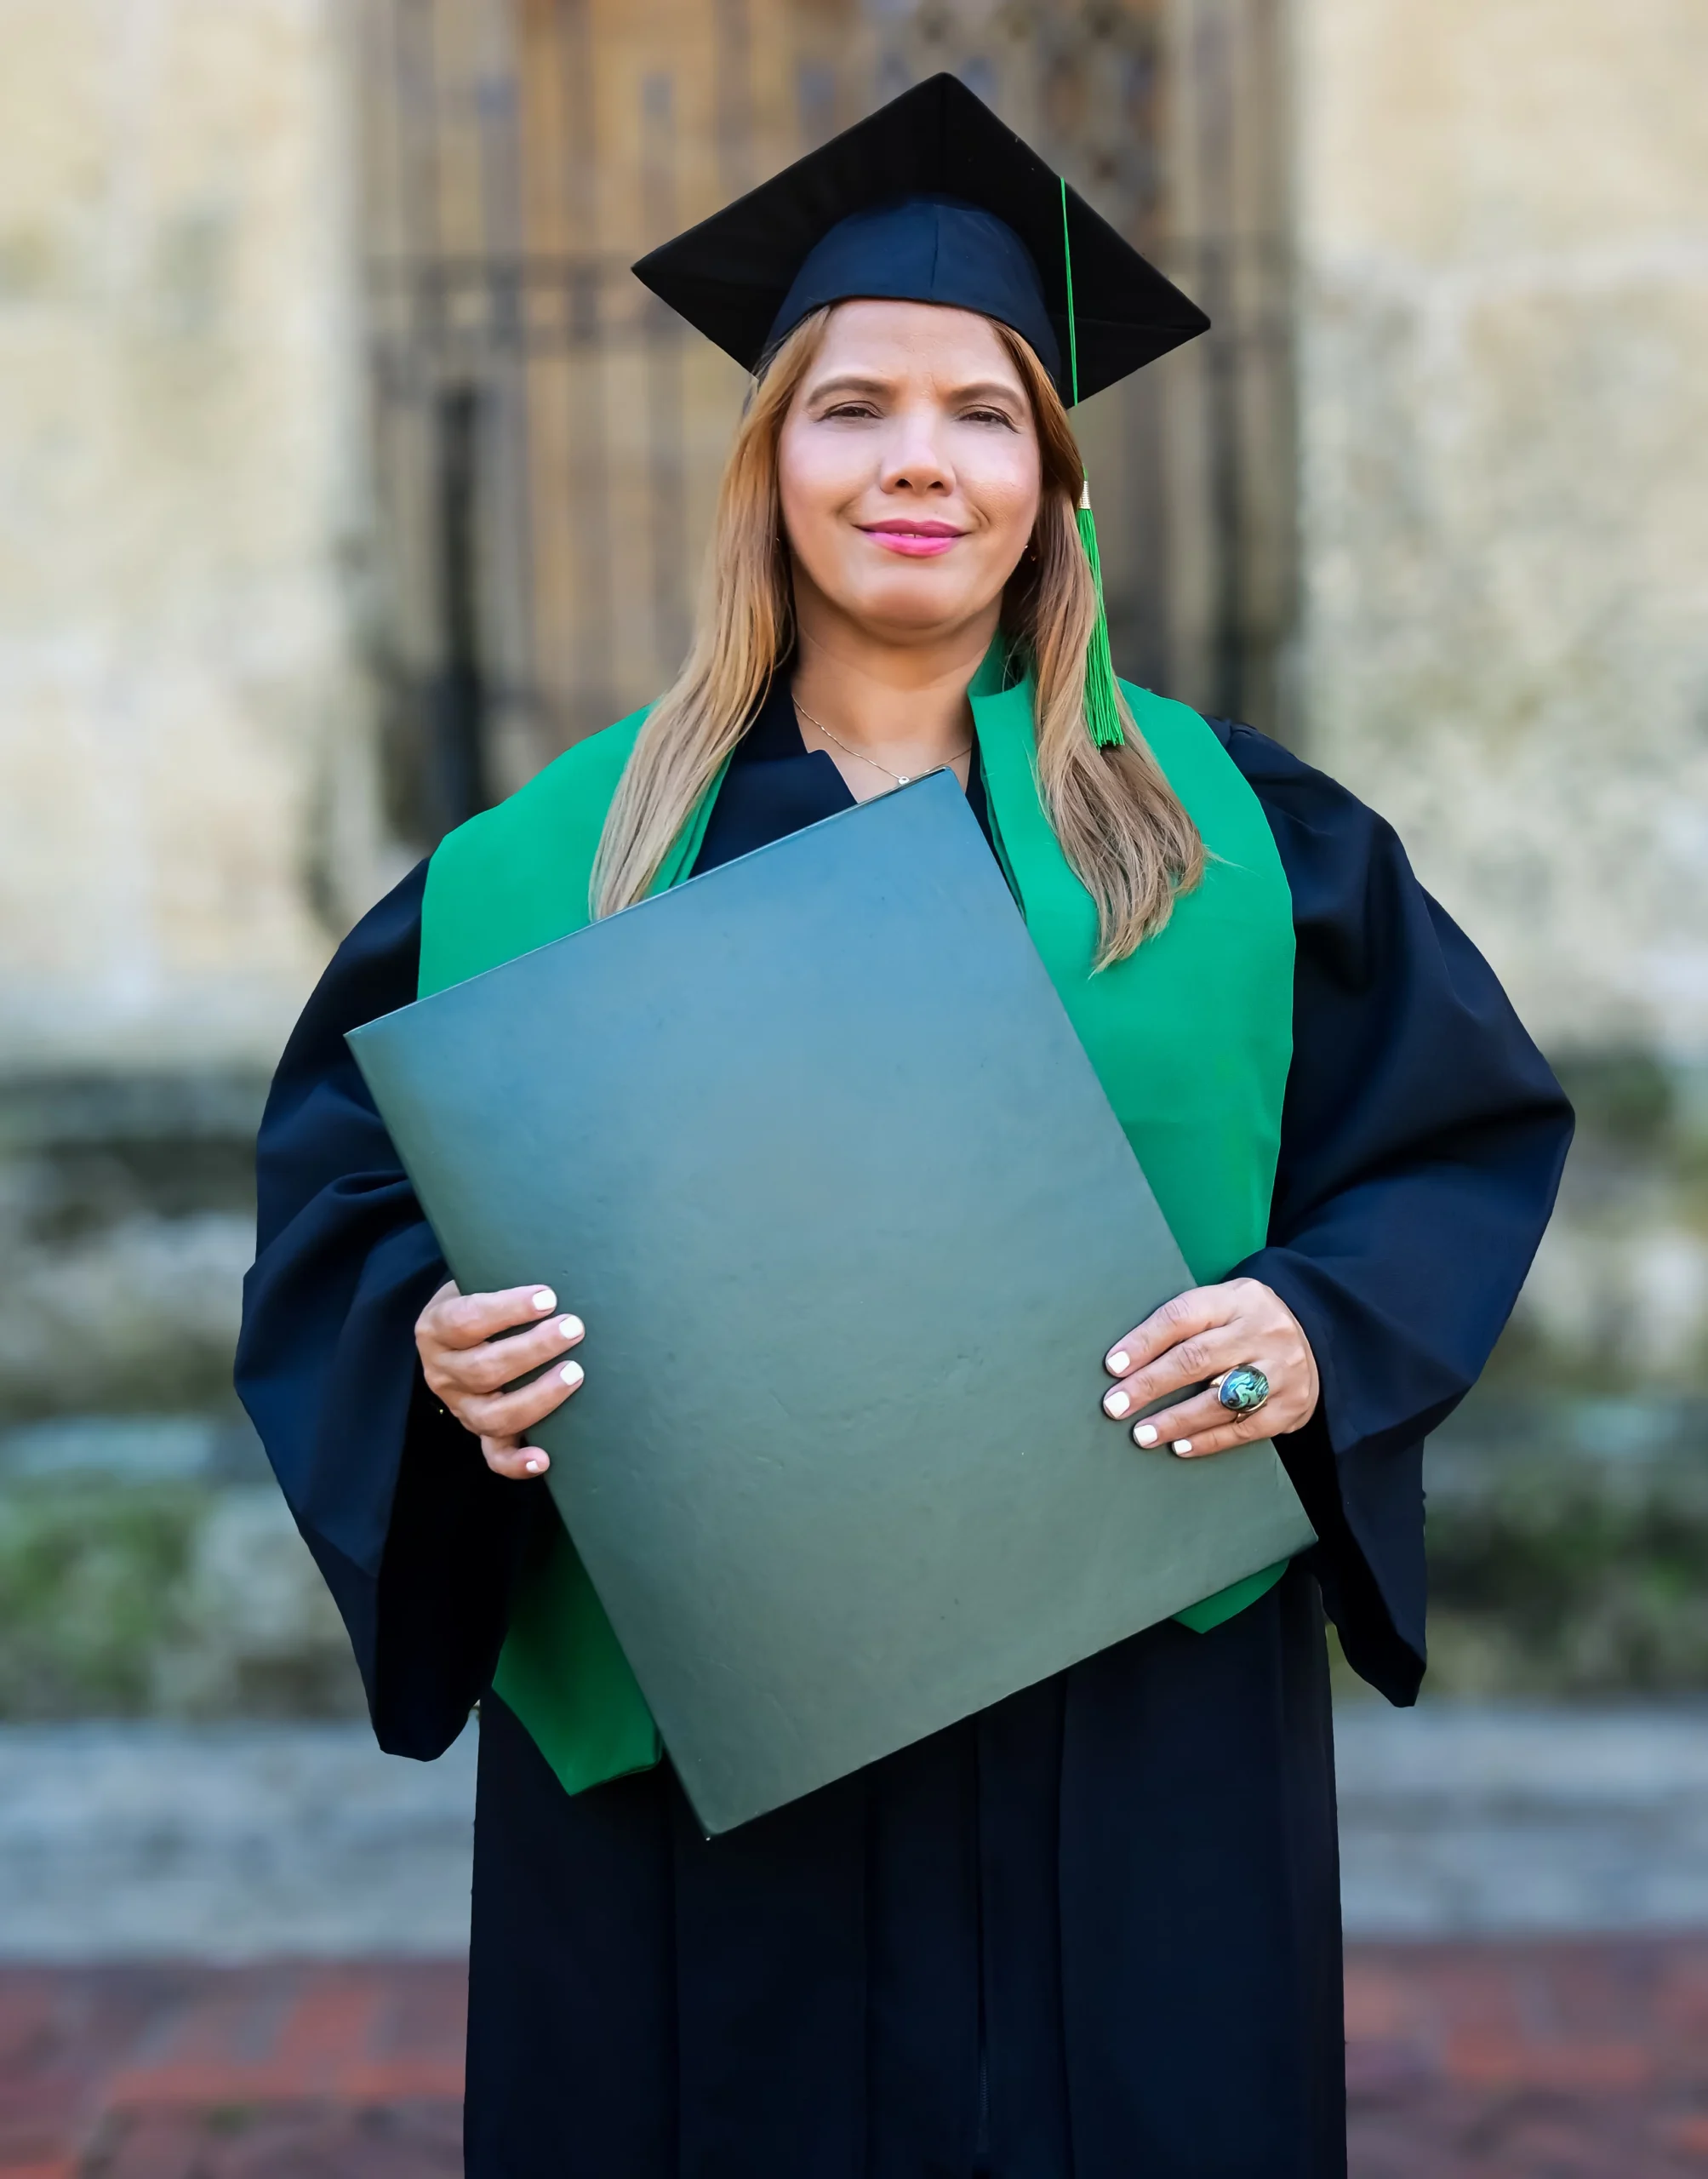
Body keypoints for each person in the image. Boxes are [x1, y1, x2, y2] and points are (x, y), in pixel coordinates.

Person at [237, 75, 1572, 2179]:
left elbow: (1448, 1142)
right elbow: (342, 1211)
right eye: (852, 407)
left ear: (1054, 480)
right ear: (766, 466)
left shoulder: (1231, 842)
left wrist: (1321, 1324)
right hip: (703, 1750)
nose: (918, 463)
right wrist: (429, 1350)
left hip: (1127, 1732)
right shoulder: (545, 865)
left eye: (982, 413)